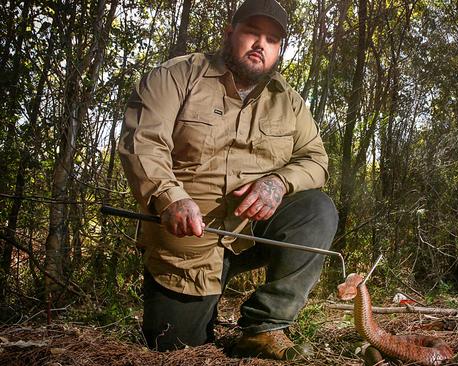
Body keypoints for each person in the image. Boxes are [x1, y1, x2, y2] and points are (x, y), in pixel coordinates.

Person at [118, 0, 338, 360]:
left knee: (316, 209)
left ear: (279, 50)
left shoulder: (290, 102)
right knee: (177, 350)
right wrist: (170, 196)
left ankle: (265, 326)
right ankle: (199, 308)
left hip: (250, 232)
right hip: (187, 242)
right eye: (252, 31)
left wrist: (279, 183)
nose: (260, 44)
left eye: (272, 39)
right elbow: (143, 142)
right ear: (229, 32)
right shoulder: (176, 76)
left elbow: (315, 159)